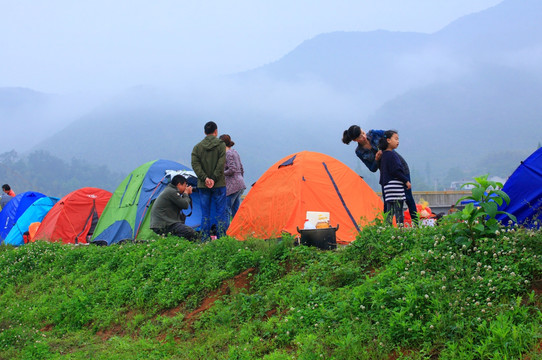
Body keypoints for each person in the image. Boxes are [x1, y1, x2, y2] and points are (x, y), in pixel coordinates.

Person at [342, 125, 417, 223]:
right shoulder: (359, 151)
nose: (364, 137)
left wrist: (385, 147)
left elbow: (390, 136)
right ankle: (387, 228)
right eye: (360, 137)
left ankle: (417, 224)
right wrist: (376, 160)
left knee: (408, 198)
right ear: (355, 140)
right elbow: (372, 168)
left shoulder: (374, 133)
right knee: (388, 201)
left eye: (363, 133)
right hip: (386, 173)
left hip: (399, 167)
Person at [191, 121, 228, 240]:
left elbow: (195, 164)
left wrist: (205, 178)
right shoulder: (221, 145)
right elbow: (221, 163)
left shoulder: (197, 147)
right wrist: (214, 178)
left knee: (205, 213)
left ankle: (204, 239)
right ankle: (221, 239)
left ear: (204, 132)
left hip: (203, 185)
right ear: (216, 131)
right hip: (219, 184)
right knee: (220, 212)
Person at [150, 175, 198, 241]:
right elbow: (185, 205)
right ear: (179, 184)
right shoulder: (172, 192)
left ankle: (178, 247)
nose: (185, 188)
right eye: (185, 185)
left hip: (162, 223)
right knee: (191, 232)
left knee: (181, 235)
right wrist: (186, 193)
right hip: (163, 224)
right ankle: (196, 248)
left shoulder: (170, 190)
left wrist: (185, 194)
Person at [378, 130, 411, 225]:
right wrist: (406, 181)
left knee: (389, 211)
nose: (398, 141)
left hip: (387, 187)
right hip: (395, 186)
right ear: (388, 140)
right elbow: (396, 171)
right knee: (399, 211)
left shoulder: (383, 155)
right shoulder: (393, 155)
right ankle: (400, 231)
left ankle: (387, 229)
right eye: (396, 139)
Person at [219, 134, 246, 220]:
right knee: (235, 210)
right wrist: (240, 179)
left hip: (232, 186)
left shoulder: (227, 154)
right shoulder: (235, 152)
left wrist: (221, 173)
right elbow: (241, 168)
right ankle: (237, 230)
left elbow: (232, 169)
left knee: (226, 210)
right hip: (240, 184)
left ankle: (227, 231)